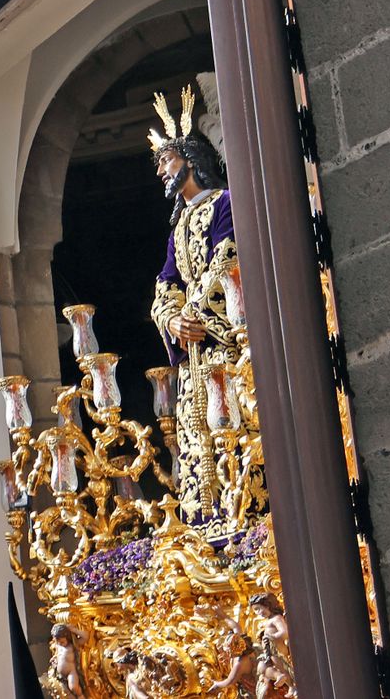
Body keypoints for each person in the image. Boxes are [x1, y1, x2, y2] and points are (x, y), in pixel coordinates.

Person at [147, 86, 243, 524]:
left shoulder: (225, 204)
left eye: (166, 160)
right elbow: (166, 283)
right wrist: (172, 320)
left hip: (227, 346)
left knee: (234, 439)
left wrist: (196, 314)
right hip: (193, 356)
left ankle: (244, 515)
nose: (162, 170)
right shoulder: (177, 228)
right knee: (195, 441)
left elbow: (229, 260)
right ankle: (205, 526)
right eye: (160, 164)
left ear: (190, 159)